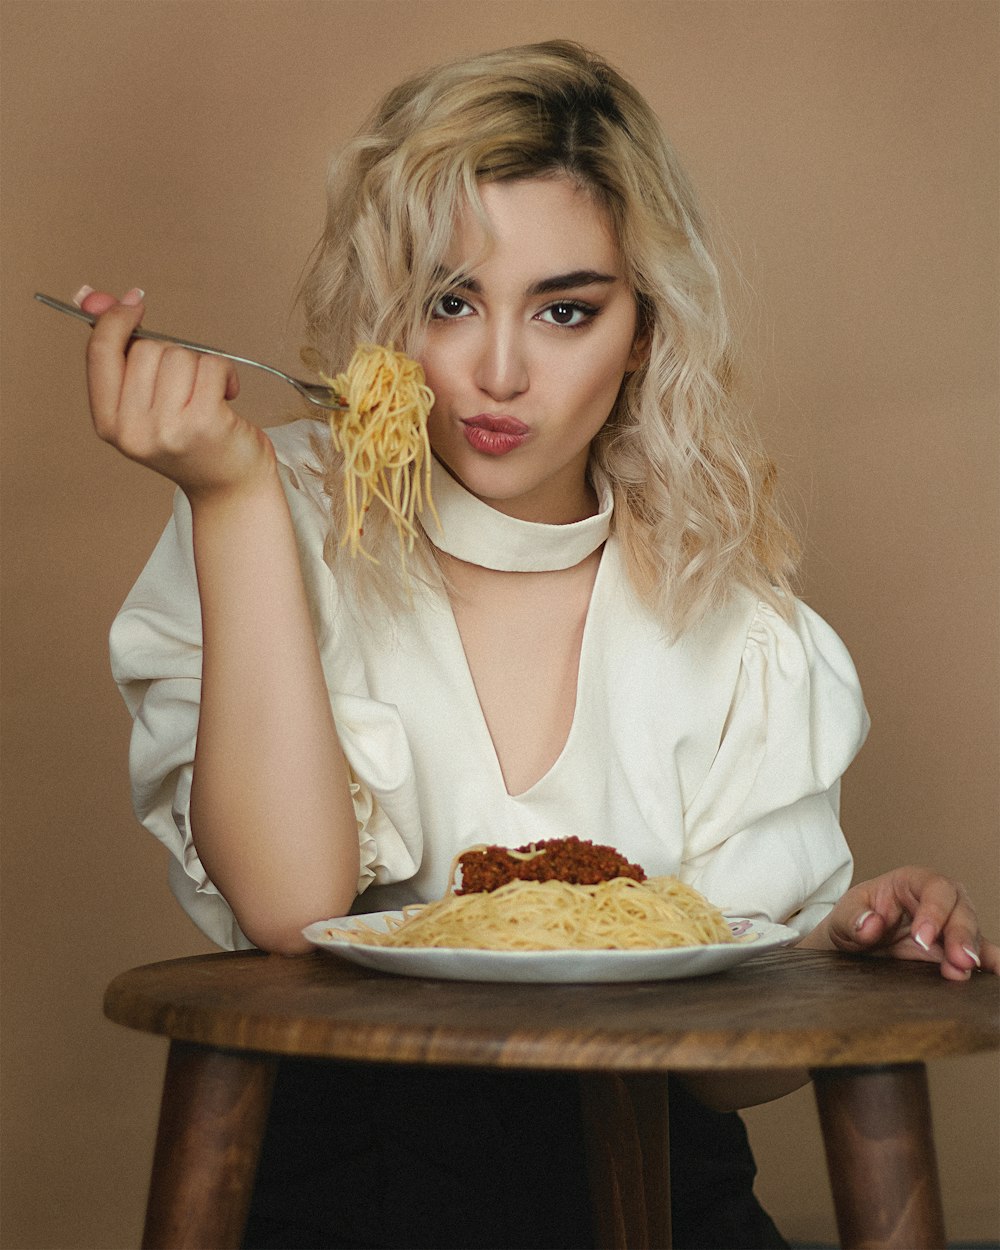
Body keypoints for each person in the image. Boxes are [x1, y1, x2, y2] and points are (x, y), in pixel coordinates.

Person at [79, 39, 996, 1250]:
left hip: (661, 1197)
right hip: (344, 1191)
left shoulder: (742, 623)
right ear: (386, 309)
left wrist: (833, 945)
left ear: (642, 330)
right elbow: (289, 906)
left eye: (565, 309)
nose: (497, 372)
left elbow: (728, 1079)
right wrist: (234, 502)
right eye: (449, 302)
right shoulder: (272, 512)